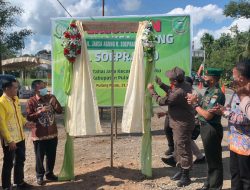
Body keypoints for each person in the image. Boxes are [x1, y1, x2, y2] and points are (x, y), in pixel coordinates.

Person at [148, 67, 195, 187]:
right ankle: (181, 170)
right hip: (180, 122)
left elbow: (162, 101)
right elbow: (171, 90)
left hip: (182, 124)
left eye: (170, 79)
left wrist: (152, 91)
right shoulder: (184, 85)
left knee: (183, 148)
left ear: (175, 81)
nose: (169, 80)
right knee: (179, 147)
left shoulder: (179, 92)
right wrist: (161, 84)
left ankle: (186, 176)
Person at [209, 60, 250, 190]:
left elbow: (246, 119)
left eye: (233, 75)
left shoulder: (247, 92)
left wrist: (225, 113)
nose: (232, 78)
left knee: (246, 179)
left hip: (246, 145)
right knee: (235, 176)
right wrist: (223, 108)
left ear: (241, 78)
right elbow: (233, 107)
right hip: (235, 142)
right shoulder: (238, 90)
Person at [187, 68, 225, 190]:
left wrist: (195, 104)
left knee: (215, 161)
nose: (203, 79)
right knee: (210, 159)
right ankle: (209, 184)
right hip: (205, 128)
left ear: (213, 79)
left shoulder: (217, 94)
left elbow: (208, 115)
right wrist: (195, 102)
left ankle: (215, 187)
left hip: (211, 129)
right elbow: (203, 110)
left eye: (206, 77)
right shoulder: (209, 91)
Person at [156, 76, 205, 164]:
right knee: (185, 139)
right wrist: (161, 84)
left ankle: (183, 164)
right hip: (189, 119)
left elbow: (181, 107)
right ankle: (180, 158)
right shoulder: (188, 91)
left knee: (184, 140)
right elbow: (180, 107)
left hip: (192, 120)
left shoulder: (192, 94)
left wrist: (153, 91)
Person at [26, 80, 63, 186]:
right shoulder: (31, 101)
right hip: (39, 135)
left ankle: (49, 174)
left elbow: (60, 111)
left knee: (51, 155)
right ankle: (39, 176)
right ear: (36, 89)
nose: (44, 89)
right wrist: (40, 112)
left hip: (52, 133)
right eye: (42, 87)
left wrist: (54, 102)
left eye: (45, 87)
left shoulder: (51, 97)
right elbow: (29, 117)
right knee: (39, 157)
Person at [0, 76, 33, 190]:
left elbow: (18, 115)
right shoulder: (1, 103)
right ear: (7, 89)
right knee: (8, 163)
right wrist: (9, 140)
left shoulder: (16, 99)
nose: (17, 90)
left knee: (20, 160)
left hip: (20, 136)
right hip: (11, 140)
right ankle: (6, 187)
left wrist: (25, 123)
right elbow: (2, 124)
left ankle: (19, 183)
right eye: (15, 88)